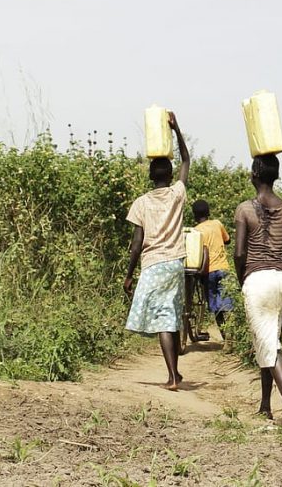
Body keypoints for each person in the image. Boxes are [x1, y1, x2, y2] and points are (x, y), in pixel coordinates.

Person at [123, 111, 190, 391]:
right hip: (175, 263)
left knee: (164, 318)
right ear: (170, 175)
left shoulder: (141, 203)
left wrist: (128, 275)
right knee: (171, 315)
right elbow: (187, 159)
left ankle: (172, 376)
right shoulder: (177, 193)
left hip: (153, 264)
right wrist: (177, 130)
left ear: (151, 176)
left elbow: (137, 243)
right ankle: (177, 373)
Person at [234, 154, 282, 424]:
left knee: (268, 343)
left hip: (257, 280)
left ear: (254, 175)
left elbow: (239, 253)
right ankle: (265, 404)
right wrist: (281, 261)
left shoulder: (245, 210)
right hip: (281, 279)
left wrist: (243, 278)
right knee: (269, 340)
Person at [192, 199, 233, 336]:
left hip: (208, 272)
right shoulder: (217, 224)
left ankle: (224, 334)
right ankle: (231, 337)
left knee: (216, 306)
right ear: (208, 212)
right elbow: (227, 240)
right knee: (227, 304)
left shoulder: (195, 231)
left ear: (194, 215)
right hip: (223, 268)